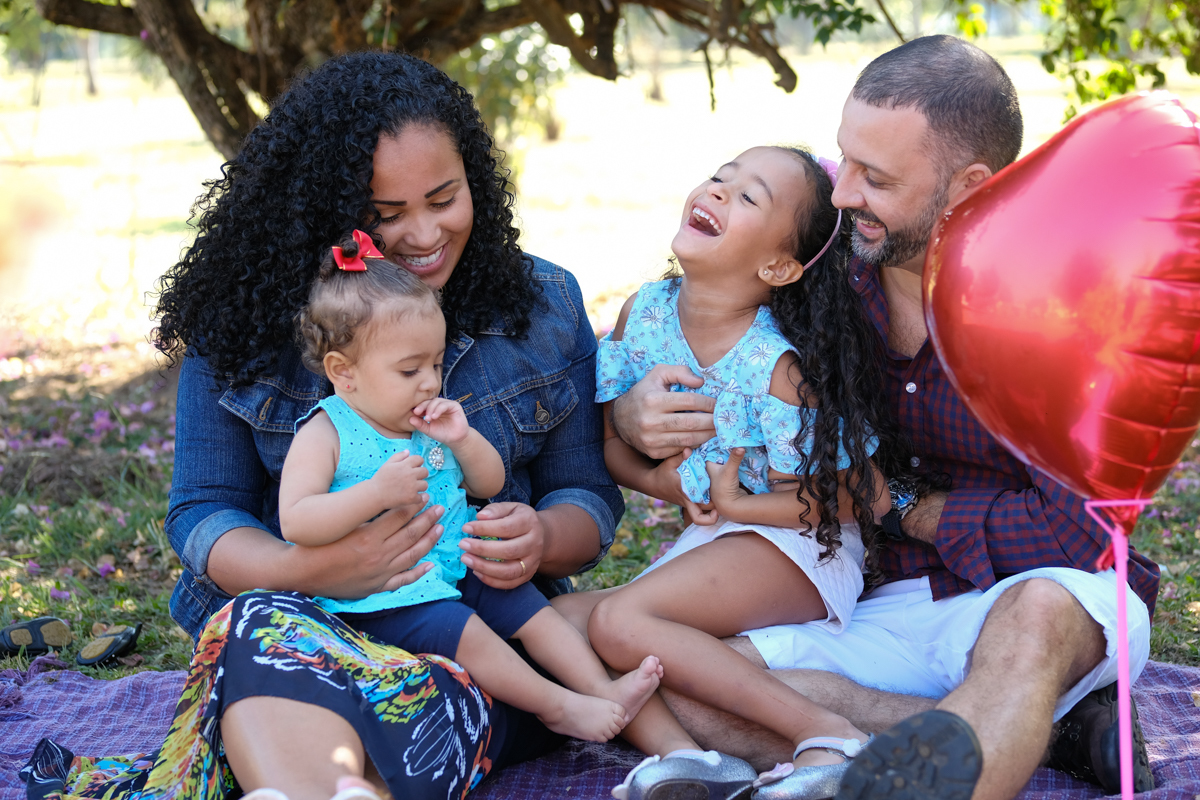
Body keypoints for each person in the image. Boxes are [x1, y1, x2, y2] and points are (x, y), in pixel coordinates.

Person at [23, 51, 622, 800]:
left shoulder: (543, 304)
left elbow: (587, 499)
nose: (424, 234)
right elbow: (204, 511)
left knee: (421, 688)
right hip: (309, 625)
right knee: (257, 639)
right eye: (383, 215)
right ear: (320, 210)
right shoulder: (242, 324)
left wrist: (540, 538)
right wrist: (308, 571)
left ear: (477, 182)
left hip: (476, 634)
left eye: (444, 198)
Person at [609, 36, 1159, 800]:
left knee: (1034, 621)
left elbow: (1078, 532)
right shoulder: (829, 275)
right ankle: (1043, 729)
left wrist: (899, 505)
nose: (841, 194)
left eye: (875, 178)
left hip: (1042, 592)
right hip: (880, 599)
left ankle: (1001, 718)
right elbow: (707, 328)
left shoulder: (1062, 309)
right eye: (845, 160)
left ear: (967, 187)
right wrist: (635, 412)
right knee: (665, 677)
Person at [566, 144, 913, 795]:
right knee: (556, 631)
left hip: (805, 546)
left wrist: (737, 504)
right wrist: (666, 484)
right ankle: (690, 763)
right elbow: (610, 443)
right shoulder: (643, 315)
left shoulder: (776, 370)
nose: (719, 190)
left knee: (617, 625)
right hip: (726, 536)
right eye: (721, 177)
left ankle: (833, 736)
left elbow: (856, 499)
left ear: (779, 265)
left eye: (749, 196)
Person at [279, 233, 662, 742]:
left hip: (458, 566)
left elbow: (490, 483)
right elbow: (297, 520)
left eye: (436, 365)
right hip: (389, 596)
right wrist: (374, 495)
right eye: (410, 370)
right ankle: (557, 707)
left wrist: (463, 439)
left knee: (532, 610)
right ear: (343, 373)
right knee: (469, 634)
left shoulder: (427, 423)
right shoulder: (326, 433)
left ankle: (601, 688)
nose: (429, 382)